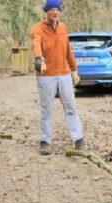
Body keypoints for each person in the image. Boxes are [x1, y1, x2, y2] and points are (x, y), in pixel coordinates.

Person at [30, 0, 85, 155]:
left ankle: (78, 139)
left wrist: (74, 70)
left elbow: (68, 50)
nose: (55, 12)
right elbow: (36, 44)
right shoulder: (37, 28)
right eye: (52, 9)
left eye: (57, 10)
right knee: (46, 109)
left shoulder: (62, 27)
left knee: (71, 108)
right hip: (45, 76)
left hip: (64, 74)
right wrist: (39, 59)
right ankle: (45, 141)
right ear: (46, 12)